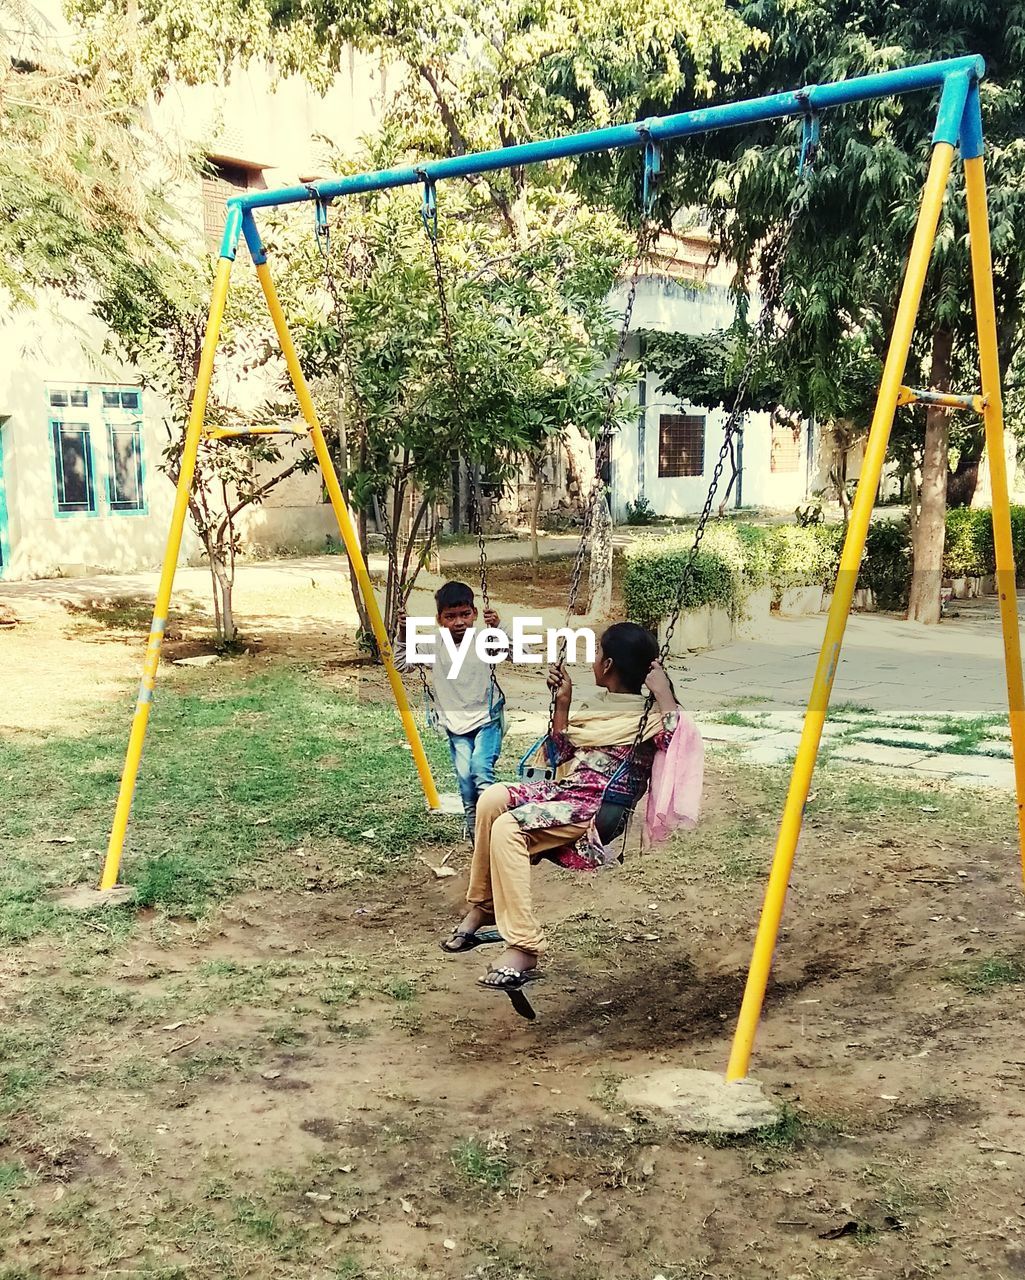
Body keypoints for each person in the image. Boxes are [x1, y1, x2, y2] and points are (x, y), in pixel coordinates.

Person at [440, 621, 702, 992]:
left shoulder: (651, 715)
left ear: (608, 664)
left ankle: (525, 946)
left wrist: (664, 693)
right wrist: (562, 703)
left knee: (509, 828)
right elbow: (558, 754)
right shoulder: (597, 706)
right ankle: (484, 907)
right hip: (566, 792)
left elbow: (679, 742)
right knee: (493, 799)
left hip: (596, 808)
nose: (593, 660)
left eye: (597, 654)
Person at [394, 581, 505, 838]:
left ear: (475, 614)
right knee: (466, 786)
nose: (459, 622)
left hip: (487, 719)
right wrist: (403, 632)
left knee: (481, 772)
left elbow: (518, 650)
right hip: (456, 726)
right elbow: (402, 663)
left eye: (465, 614)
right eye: (450, 616)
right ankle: (477, 840)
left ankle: (497, 833)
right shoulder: (435, 645)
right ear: (439, 620)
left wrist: (499, 627)